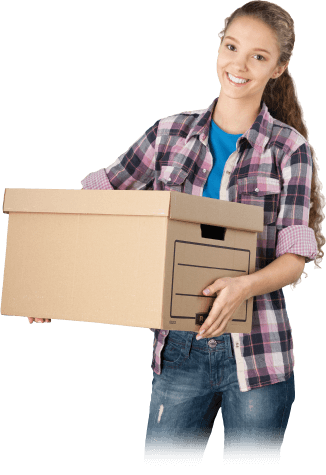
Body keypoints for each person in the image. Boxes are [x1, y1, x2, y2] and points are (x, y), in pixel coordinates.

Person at [33, 0, 326, 465]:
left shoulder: (289, 149)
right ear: (219, 48)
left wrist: (242, 286)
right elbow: (94, 203)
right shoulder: (168, 134)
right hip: (179, 349)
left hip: (258, 351)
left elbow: (294, 259)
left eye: (258, 56)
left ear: (279, 67)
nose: (239, 65)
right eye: (232, 47)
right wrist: (48, 283)